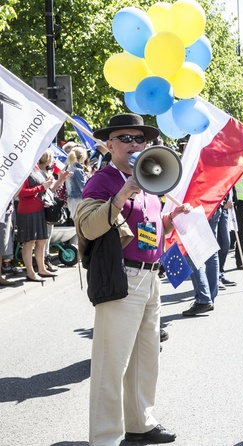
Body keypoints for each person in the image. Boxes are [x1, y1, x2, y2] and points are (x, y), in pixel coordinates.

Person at [75, 114, 191, 445]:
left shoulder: (149, 180)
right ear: (109, 144)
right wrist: (124, 192)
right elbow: (88, 227)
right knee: (112, 365)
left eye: (140, 139)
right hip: (123, 278)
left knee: (145, 357)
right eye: (126, 139)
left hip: (150, 279)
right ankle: (105, 436)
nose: (135, 145)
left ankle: (140, 422)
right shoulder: (103, 181)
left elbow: (145, 230)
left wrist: (168, 222)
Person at [17, 148, 71, 283]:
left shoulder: (36, 168)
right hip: (28, 210)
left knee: (42, 240)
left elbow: (49, 190)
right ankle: (30, 272)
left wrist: (60, 180)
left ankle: (41, 268)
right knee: (29, 242)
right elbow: (21, 193)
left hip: (40, 208)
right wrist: (42, 187)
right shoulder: (24, 169)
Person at [65, 145, 90, 219]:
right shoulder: (78, 170)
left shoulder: (70, 167)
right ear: (82, 157)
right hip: (79, 200)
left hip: (71, 200)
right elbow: (83, 187)